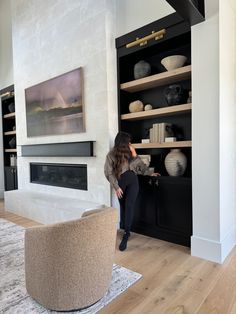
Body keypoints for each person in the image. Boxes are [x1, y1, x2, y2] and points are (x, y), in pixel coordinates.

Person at [104, 131, 160, 251]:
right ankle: (125, 228)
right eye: (128, 141)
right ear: (123, 142)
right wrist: (116, 187)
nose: (130, 143)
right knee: (124, 207)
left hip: (133, 181)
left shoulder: (131, 152)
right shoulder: (111, 155)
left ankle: (126, 234)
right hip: (120, 184)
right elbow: (108, 172)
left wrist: (136, 157)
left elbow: (140, 168)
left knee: (129, 206)